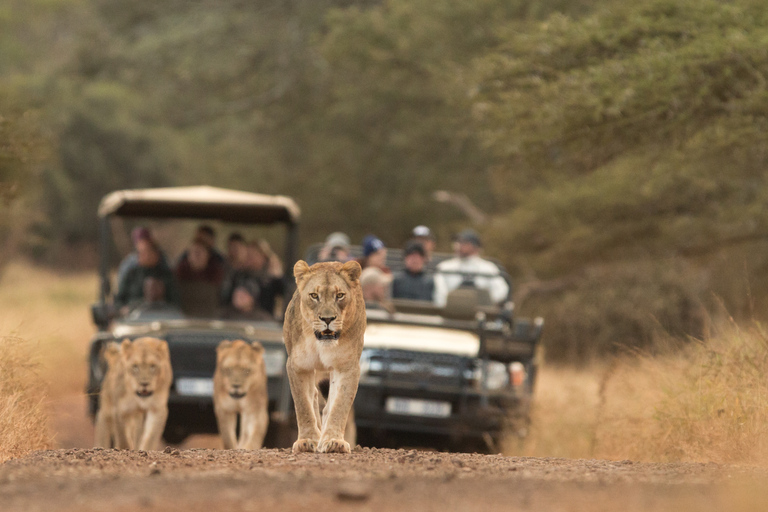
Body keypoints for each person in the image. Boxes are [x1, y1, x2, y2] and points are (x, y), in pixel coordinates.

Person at [432, 229, 509, 308]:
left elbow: (501, 291)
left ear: (475, 246)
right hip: (451, 313)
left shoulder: (489, 268)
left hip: (481, 314)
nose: (458, 245)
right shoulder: (445, 267)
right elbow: (440, 294)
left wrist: (485, 305)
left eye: (463, 242)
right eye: (458, 242)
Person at [114, 236, 180, 312]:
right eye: (140, 252)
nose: (144, 256)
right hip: (133, 316)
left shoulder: (166, 275)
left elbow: (175, 302)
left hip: (161, 315)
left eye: (148, 252)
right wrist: (123, 309)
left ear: (156, 253)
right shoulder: (131, 274)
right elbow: (119, 300)